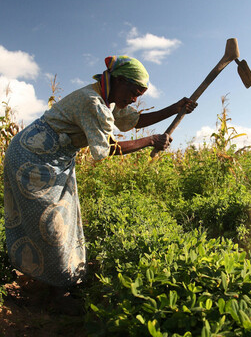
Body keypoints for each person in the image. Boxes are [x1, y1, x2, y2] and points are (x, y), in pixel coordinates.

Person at [2, 55, 197, 309]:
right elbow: (105, 150)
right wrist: (150, 141)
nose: (135, 98)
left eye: (140, 94)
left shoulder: (107, 99)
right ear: (117, 80)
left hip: (55, 159)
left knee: (63, 220)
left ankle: (59, 284)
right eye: (133, 91)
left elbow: (133, 121)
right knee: (52, 224)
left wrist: (174, 109)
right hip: (33, 158)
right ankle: (57, 295)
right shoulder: (92, 102)